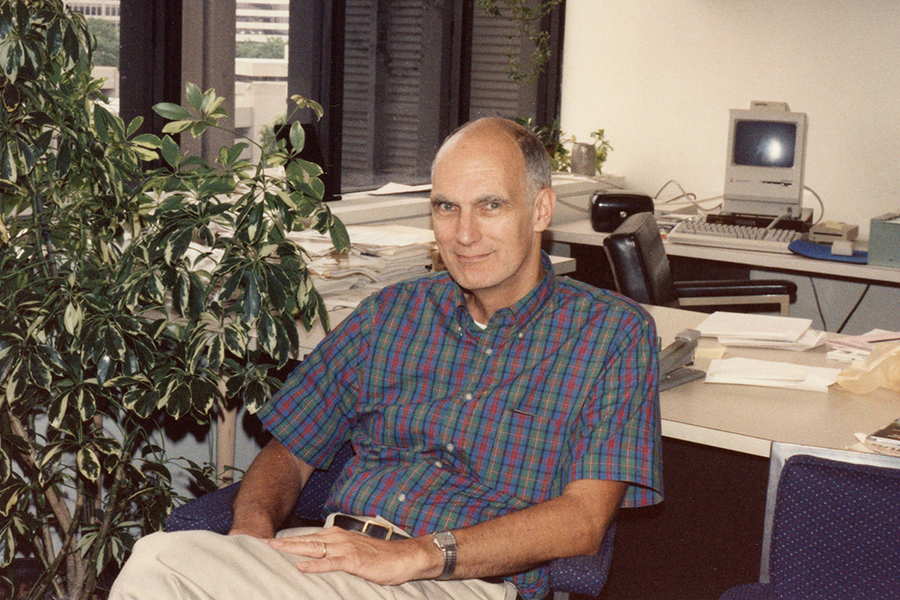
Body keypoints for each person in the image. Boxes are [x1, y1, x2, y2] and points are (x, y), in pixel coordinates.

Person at [110, 117, 662, 600]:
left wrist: (414, 555)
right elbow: (291, 450)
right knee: (164, 561)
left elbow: (584, 521)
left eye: (490, 205)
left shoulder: (612, 334)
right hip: (329, 558)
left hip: (456, 579)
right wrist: (252, 532)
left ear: (541, 208)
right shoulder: (391, 315)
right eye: (446, 207)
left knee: (160, 569)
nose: (464, 233)